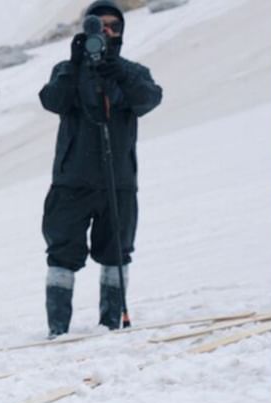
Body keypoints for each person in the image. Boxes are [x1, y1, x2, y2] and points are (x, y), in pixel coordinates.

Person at [39, 0, 162, 337]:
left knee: (116, 253)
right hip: (71, 183)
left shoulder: (133, 72)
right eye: (98, 25)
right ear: (85, 29)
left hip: (118, 182)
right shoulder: (67, 69)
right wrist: (76, 64)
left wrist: (118, 71)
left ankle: (112, 323)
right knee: (62, 253)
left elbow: (149, 99)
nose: (106, 31)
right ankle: (57, 330)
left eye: (114, 25)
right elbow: (53, 101)